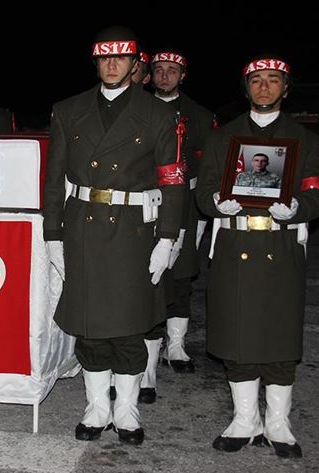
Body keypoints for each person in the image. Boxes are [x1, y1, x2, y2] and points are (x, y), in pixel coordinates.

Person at [43, 26, 183, 445]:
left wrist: (167, 238)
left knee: (128, 327)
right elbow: (54, 179)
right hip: (83, 228)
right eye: (104, 58)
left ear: (136, 64)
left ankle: (126, 408)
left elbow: (172, 180)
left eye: (120, 58)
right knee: (89, 327)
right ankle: (96, 407)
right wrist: (53, 235)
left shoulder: (159, 114)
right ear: (95, 62)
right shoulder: (68, 110)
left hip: (132, 233)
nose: (111, 65)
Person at [196, 54, 319, 459]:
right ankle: (244, 419)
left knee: (279, 337)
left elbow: (318, 194)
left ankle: (277, 423)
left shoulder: (306, 140)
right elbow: (203, 191)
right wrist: (216, 202)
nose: (265, 87)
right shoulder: (223, 138)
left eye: (273, 80)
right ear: (246, 88)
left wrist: (299, 208)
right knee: (236, 335)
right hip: (235, 243)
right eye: (257, 80)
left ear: (286, 88)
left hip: (281, 246)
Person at [139, 49, 216, 398]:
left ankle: (176, 345)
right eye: (159, 70)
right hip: (146, 203)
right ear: (149, 74)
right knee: (151, 278)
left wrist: (201, 214)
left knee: (182, 275)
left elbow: (209, 168)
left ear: (183, 76)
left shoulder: (200, 115)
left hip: (186, 204)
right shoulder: (138, 108)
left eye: (172, 70)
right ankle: (145, 360)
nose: (165, 76)